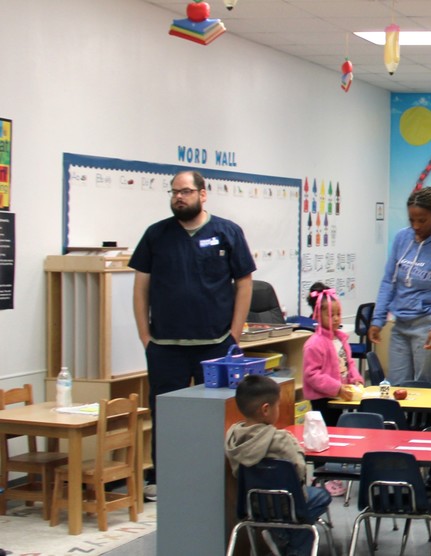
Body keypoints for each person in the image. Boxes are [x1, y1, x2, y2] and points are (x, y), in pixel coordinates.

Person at [130, 169, 256, 501]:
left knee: (218, 415)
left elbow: (244, 283)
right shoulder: (156, 235)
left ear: (203, 194)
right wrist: (145, 335)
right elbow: (141, 286)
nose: (178, 197)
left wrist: (235, 333)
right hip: (165, 346)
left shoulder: (227, 232)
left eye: (185, 191)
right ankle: (163, 478)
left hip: (215, 345)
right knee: (165, 416)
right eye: (174, 192)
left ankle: (217, 476)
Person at [224, 375, 331, 556]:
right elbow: (299, 471)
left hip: (252, 506)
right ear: (266, 409)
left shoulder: (233, 437)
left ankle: (279, 536)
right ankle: (285, 541)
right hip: (286, 504)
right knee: (318, 499)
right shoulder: (280, 440)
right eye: (278, 405)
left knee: (296, 515)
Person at [368, 188, 431, 385]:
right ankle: (398, 418)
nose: (416, 225)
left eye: (422, 220)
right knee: (397, 385)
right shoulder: (402, 238)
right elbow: (389, 280)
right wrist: (378, 319)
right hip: (401, 322)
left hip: (430, 322)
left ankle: (426, 418)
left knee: (424, 385)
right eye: (412, 220)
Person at [301, 282, 363, 452]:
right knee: (322, 437)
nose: (336, 318)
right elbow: (312, 375)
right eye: (330, 314)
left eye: (338, 314)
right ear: (318, 316)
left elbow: (349, 363)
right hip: (322, 399)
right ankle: (323, 472)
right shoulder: (314, 344)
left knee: (336, 435)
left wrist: (355, 378)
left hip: (338, 396)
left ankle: (335, 467)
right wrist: (336, 388)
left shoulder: (341, 339)